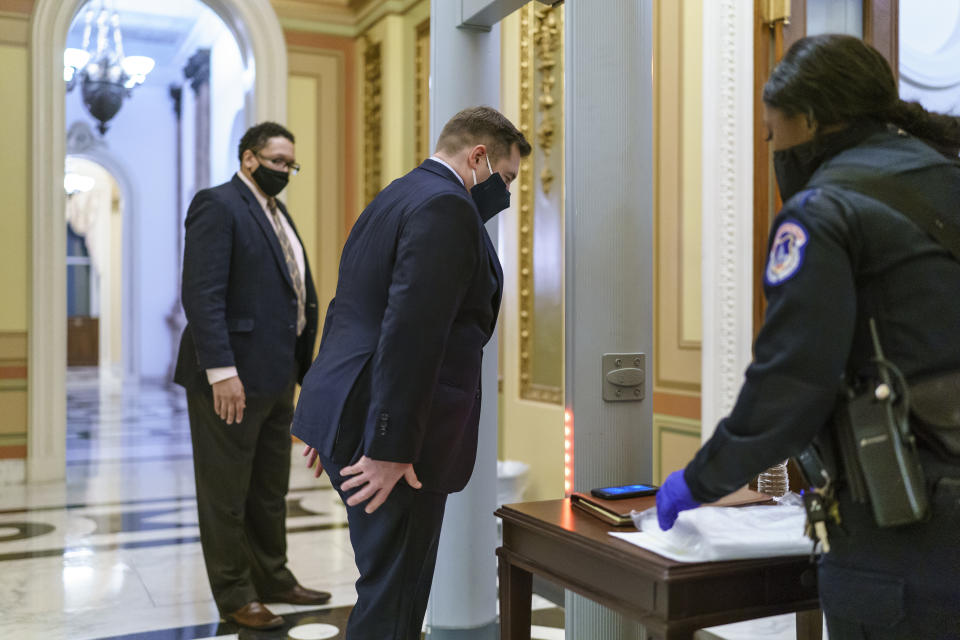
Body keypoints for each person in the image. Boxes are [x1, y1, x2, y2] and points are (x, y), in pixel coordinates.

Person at [656, 35, 960, 639]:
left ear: (810, 120)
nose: (773, 150)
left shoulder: (823, 210)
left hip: (903, 527)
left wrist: (700, 479)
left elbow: (791, 379)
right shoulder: (944, 172)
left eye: (772, 134)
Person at [292, 106, 530, 639]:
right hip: (400, 441)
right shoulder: (447, 206)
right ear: (478, 158)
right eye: (507, 177)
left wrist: (329, 415)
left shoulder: (395, 195)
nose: (507, 194)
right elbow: (411, 332)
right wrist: (389, 448)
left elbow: (349, 308)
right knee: (394, 601)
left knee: (384, 585)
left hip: (355, 412)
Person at [174, 122, 330, 630]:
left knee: (268, 489)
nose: (286, 171)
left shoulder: (276, 213)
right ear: (249, 159)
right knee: (226, 491)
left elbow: (292, 293)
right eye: (278, 161)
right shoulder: (217, 205)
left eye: (291, 164)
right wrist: (221, 372)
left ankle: (273, 577)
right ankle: (236, 593)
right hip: (231, 380)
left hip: (277, 376)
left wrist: (304, 373)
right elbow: (202, 293)